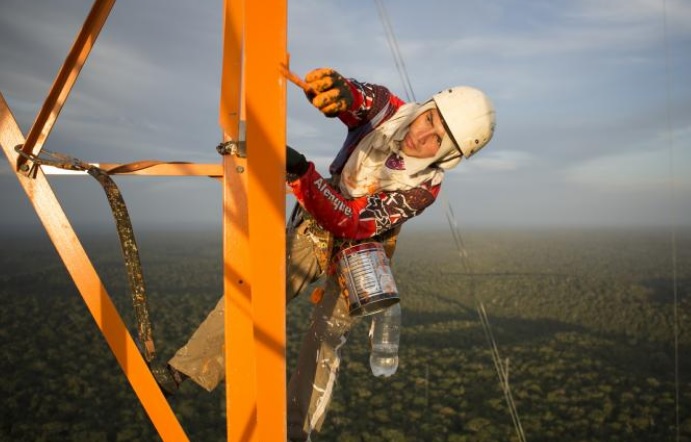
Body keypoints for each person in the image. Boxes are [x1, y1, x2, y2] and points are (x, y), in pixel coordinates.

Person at [154, 67, 496, 440]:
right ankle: (184, 370)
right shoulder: (387, 110)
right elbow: (357, 101)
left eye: (437, 140)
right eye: (430, 119)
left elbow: (351, 221)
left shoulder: (423, 189)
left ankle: (297, 433)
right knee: (259, 289)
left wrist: (300, 172)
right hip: (318, 222)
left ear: (448, 157)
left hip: (365, 244)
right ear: (426, 107)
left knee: (326, 339)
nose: (421, 135)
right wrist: (336, 93)